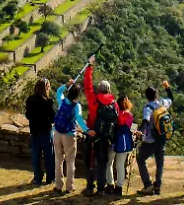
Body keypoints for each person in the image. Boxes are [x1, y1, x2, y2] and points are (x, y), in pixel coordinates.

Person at [83, 59, 118, 197]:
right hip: (106, 138)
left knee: (90, 162)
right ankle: (101, 189)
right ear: (109, 90)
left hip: (92, 134)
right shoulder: (114, 103)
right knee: (103, 163)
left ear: (99, 89)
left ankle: (90, 187)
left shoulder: (94, 99)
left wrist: (89, 67)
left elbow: (87, 85)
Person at [136, 80, 173, 195]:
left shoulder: (148, 107)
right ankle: (158, 187)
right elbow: (171, 98)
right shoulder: (162, 103)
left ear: (147, 97)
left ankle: (148, 185)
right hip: (162, 138)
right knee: (159, 163)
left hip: (151, 140)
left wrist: (139, 131)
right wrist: (167, 87)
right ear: (156, 95)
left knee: (140, 159)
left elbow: (146, 121)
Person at [53, 79, 89, 193]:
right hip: (69, 135)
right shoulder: (76, 106)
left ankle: (58, 185)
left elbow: (58, 92)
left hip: (57, 133)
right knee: (70, 162)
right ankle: (69, 186)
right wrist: (87, 130)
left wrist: (66, 85)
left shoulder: (62, 101)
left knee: (58, 160)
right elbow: (79, 119)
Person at [25, 79, 57, 185]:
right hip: (46, 131)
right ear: (45, 88)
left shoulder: (30, 100)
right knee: (49, 156)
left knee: (35, 156)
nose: (49, 88)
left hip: (34, 131)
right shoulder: (48, 101)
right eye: (48, 86)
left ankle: (37, 178)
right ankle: (50, 178)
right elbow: (53, 118)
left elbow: (28, 115)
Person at [105, 95, 135, 195]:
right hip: (125, 141)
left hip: (115, 141)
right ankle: (119, 187)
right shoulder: (129, 115)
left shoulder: (116, 114)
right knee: (120, 165)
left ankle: (110, 184)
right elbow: (129, 127)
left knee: (108, 163)